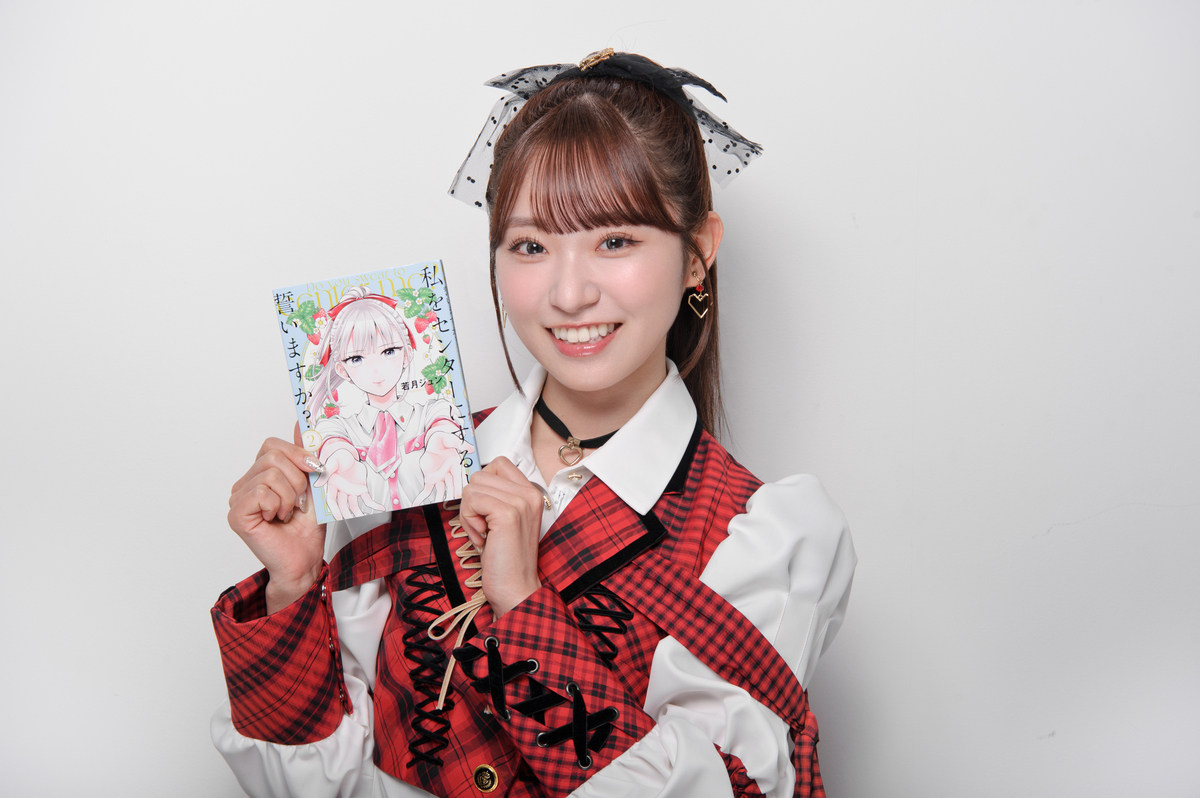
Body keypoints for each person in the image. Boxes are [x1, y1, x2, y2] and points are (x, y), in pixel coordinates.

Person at [213, 51, 857, 798]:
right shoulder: (414, 463)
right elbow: (318, 785)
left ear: (698, 252)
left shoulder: (765, 535)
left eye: (615, 241)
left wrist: (522, 605)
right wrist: (294, 588)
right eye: (530, 246)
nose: (569, 293)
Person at [304, 285, 472, 519]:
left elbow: (442, 417)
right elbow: (331, 437)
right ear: (342, 369)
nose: (376, 369)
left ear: (407, 354)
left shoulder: (430, 412)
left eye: (389, 351)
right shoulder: (341, 427)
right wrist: (338, 455)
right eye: (356, 358)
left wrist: (440, 438)